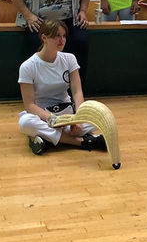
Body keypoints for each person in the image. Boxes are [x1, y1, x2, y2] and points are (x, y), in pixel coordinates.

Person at [16, 18, 104, 156]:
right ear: (44, 38)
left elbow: (77, 92)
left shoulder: (69, 58)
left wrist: (78, 119)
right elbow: (29, 106)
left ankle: (46, 139)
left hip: (67, 115)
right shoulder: (28, 66)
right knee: (25, 122)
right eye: (57, 36)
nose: (62, 40)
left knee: (98, 117)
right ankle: (82, 141)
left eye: (64, 36)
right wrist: (53, 120)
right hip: (44, 116)